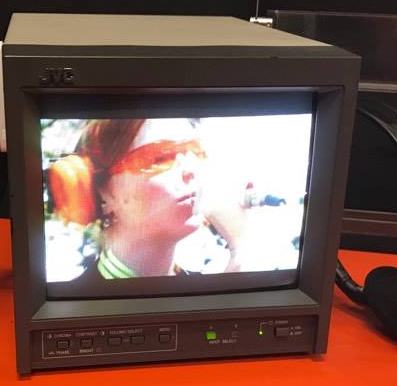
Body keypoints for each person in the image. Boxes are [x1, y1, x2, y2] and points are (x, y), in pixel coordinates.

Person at [66, 117, 255, 279]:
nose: (190, 170)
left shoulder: (201, 288)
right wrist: (243, 252)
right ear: (103, 195)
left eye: (194, 151)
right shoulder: (76, 307)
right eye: (161, 158)